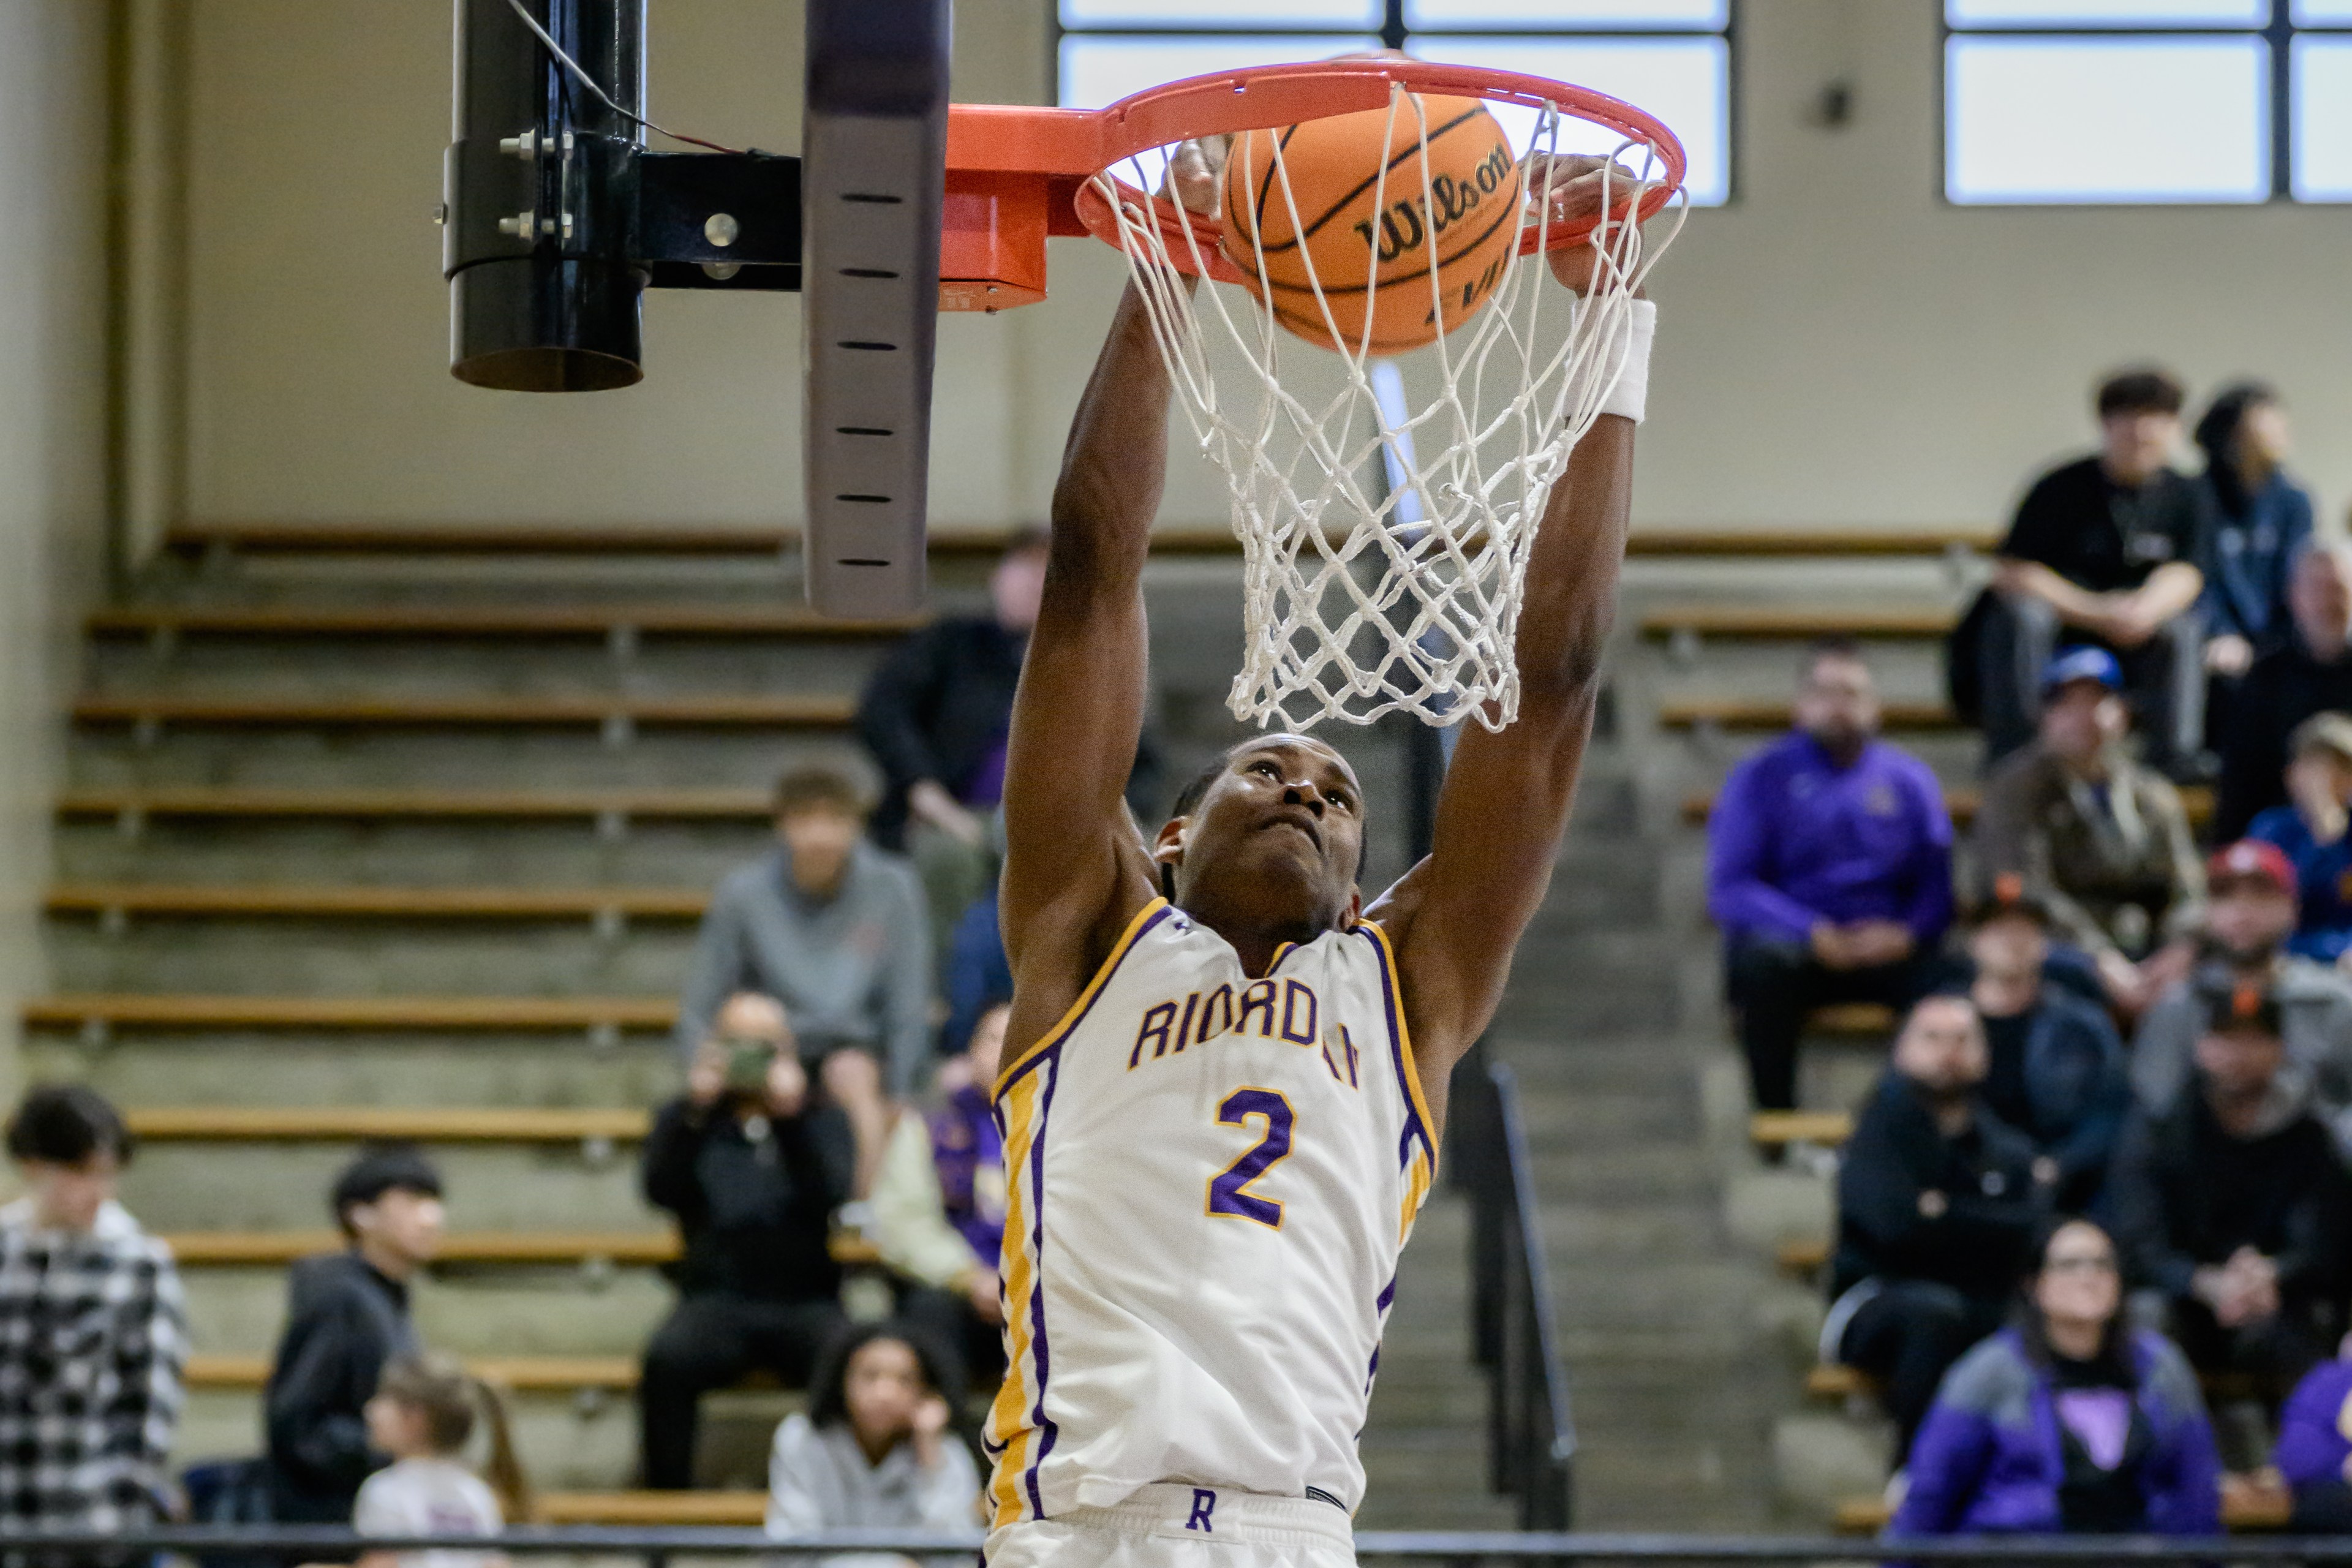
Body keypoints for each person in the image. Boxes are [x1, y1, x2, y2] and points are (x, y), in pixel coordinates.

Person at [984, 149, 1660, 1564]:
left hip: (1296, 1529)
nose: (1303, 783)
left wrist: (1607, 326)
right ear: (1168, 833)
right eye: (1266, 764)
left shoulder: (1405, 981)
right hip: (1080, 1523)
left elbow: (1553, 680)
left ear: (1363, 881)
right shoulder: (1083, 923)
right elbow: (1092, 556)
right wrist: (1162, 276)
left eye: (1340, 790)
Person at [856, 529, 1162, 959]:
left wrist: (1103, 824)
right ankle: (948, 1004)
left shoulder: (1092, 657)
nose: (1035, 580)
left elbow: (1138, 759)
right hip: (955, 817)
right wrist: (922, 789)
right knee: (946, 862)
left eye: (1048, 568)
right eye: (1024, 566)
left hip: (1059, 826)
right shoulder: (952, 642)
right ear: (997, 578)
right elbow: (883, 711)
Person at [1707, 639, 1954, 1112]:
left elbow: (1936, 885)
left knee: (1959, 981)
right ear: (1801, 706)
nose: (1839, 706)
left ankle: (1916, 1122)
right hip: (1799, 947)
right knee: (1762, 967)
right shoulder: (1760, 777)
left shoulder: (1910, 782)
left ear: (1875, 707)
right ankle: (1777, 1125)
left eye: (1853, 693)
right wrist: (1811, 931)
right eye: (1825, 692)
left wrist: (1906, 933)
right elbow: (1731, 888)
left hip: (1888, 946)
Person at [639, 992, 858, 1490]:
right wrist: (695, 1112)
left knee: (854, 1360)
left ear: (789, 1050)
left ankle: (843, 1509)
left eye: (765, 1045)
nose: (750, 1057)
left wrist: (792, 1117)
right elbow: (659, 1191)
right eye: (737, 1043)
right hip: (717, 1298)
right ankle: (663, 1525)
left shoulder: (821, 1116)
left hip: (807, 1301)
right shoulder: (688, 1120)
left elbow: (833, 1195)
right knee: (666, 1360)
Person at [1888, 1218, 2221, 1540]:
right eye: (2070, 1265)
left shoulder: (2161, 1367)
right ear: (2034, 1284)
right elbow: (1931, 1492)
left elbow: (2197, 1490)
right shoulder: (1990, 1370)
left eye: (2103, 1264)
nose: (2089, 1277)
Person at [1820, 994, 2048, 1462]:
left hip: (1984, 1302)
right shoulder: (1876, 1133)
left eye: (1963, 1039)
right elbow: (1892, 1228)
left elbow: (2031, 1231)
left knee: (2040, 1320)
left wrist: (1943, 1214)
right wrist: (1981, 1224)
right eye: (1932, 1037)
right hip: (1874, 1300)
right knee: (1935, 1312)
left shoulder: (2008, 1149)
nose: (1949, 1050)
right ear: (1901, 1049)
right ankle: (1914, 1475)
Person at [2108, 978, 2352, 1398]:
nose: (2238, 1055)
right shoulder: (2162, 1128)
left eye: (2255, 1040)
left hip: (2276, 1297)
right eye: (2226, 1040)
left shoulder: (2310, 1137)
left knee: (2309, 1322)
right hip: (2183, 1296)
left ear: (2279, 1051)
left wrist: (2271, 1273)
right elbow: (2138, 1244)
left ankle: (2306, 1457)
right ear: (2202, 1047)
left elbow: (2323, 1241)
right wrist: (2205, 1282)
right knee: (2145, 1317)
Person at [1966, 368, 2208, 775]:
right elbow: (2015, 571)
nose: (2142, 431)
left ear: (2175, 428)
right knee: (2022, 618)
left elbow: (2189, 572)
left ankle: (2174, 758)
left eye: (2157, 419)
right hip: (2063, 627)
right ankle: (2017, 751)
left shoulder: (2190, 496)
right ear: (2105, 424)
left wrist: (2145, 609)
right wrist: (2096, 611)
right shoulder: (2059, 487)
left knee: (2182, 631)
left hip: (2135, 636)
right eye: (2129, 418)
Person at [676, 766, 932, 1103]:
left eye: (834, 819)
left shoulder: (893, 888)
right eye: (805, 819)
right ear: (782, 824)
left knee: (852, 1073)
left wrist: (901, 1092)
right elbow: (702, 1000)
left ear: (856, 825)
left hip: (859, 1053)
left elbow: (908, 1002)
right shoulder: (742, 894)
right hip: (767, 1051)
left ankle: (868, 1156)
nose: (820, 835)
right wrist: (701, 1070)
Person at [1974, 646, 2204, 1016]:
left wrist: (2179, 949)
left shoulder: (2151, 794)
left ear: (2122, 714)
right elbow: (2024, 888)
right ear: (2046, 717)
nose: (2085, 717)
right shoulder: (2016, 788)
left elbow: (2187, 887)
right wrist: (2098, 956)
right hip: (2060, 945)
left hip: (2145, 945)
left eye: (2098, 701)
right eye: (2068, 704)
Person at [0, 1085, 186, 1532]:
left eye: (108, 1175)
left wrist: (125, 1511)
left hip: (89, 1521)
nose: (98, 1191)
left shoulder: (138, 1262)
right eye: (82, 1174)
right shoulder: (6, 1250)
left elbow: (149, 1412)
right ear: (34, 1167)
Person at [2131, 840, 2352, 1160]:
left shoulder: (2334, 1001)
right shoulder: (2179, 1005)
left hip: (2313, 1180)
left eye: (2260, 896)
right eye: (2226, 897)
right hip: (2206, 1179)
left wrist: (2285, 1085)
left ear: (2292, 908)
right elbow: (2153, 1113)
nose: (2242, 912)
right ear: (2207, 912)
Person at [267, 1145, 445, 1523]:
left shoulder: (387, 1298)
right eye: (412, 1201)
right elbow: (300, 1428)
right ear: (361, 1214)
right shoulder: (338, 1297)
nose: (432, 1217)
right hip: (333, 1523)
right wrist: (391, 1446)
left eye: (434, 1202)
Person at [1961, 895, 2130, 1211]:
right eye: (1999, 930)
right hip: (1966, 1184)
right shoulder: (1941, 1020)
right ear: (1974, 941)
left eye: (2025, 930)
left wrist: (2060, 1165)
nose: (2013, 941)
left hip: (2067, 1187)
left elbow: (2112, 1108)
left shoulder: (2082, 1024)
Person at [870, 1003, 1008, 1388]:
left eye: (1019, 1036)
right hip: (960, 1291)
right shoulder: (929, 1120)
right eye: (994, 1040)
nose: (1007, 1049)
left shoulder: (1064, 1120)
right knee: (926, 1313)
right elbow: (902, 1221)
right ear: (971, 1052)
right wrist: (969, 1277)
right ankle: (947, 1440)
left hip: (1043, 1293)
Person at [764, 1323, 981, 1552]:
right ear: (842, 1380)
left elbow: (957, 1552)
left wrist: (929, 1455)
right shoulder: (802, 1439)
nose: (884, 1394)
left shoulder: (943, 1448)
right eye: (870, 1376)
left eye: (905, 1380)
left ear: (926, 1389)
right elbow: (791, 1546)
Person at [2217, 541, 2352, 839]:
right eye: (2317, 590)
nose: (2328, 603)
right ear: (2294, 597)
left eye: (2338, 589)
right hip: (2281, 839)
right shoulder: (2265, 679)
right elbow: (2241, 782)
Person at [353, 1352, 530, 1568]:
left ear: (416, 1417)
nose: (369, 1410)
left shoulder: (385, 1491)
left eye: (383, 1399)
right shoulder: (476, 1492)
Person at [2195, 382, 2312, 680]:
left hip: (2280, 639)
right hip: (2216, 640)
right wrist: (2221, 632)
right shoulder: (2199, 497)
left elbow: (2295, 576)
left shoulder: (2293, 501)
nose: (2281, 428)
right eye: (2268, 419)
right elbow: (2200, 579)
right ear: (2233, 434)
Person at [2249, 711, 2352, 965]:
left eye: (2337, 768)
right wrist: (2323, 834)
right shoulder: (2272, 829)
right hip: (2282, 959)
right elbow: (2274, 902)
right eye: (2314, 765)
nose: (2325, 778)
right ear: (2291, 774)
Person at [2275, 1340, 2352, 1529]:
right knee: (2324, 1504)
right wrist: (2342, 1467)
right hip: (2333, 1506)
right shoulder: (2332, 1381)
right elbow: (2297, 1460)